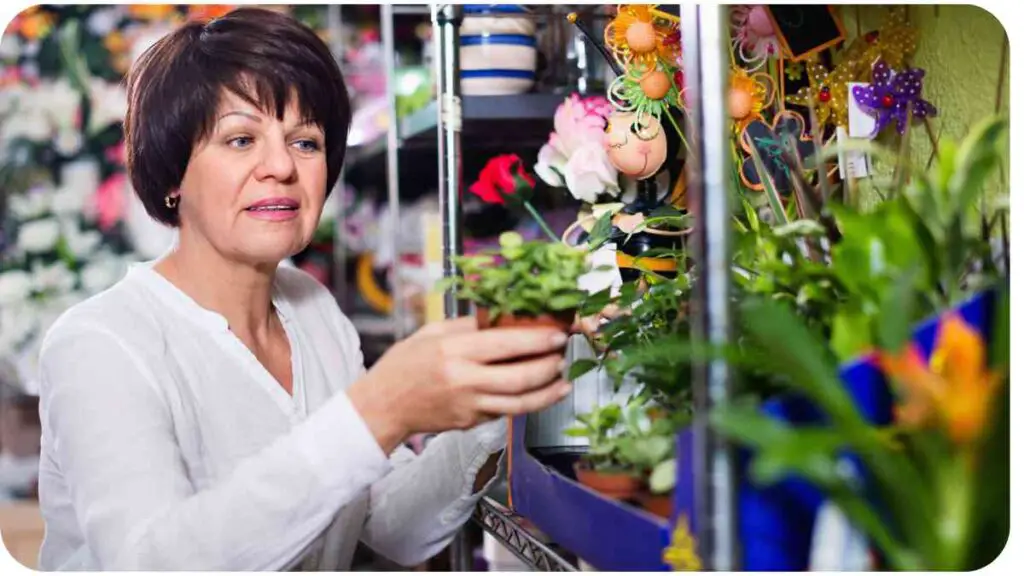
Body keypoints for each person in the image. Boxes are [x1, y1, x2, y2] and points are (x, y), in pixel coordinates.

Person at [34, 8, 573, 571]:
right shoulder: (101, 344)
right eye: (241, 139)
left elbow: (387, 528)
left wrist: (494, 404)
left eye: (306, 142)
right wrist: (380, 410)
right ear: (173, 174)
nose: (281, 167)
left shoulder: (313, 311)